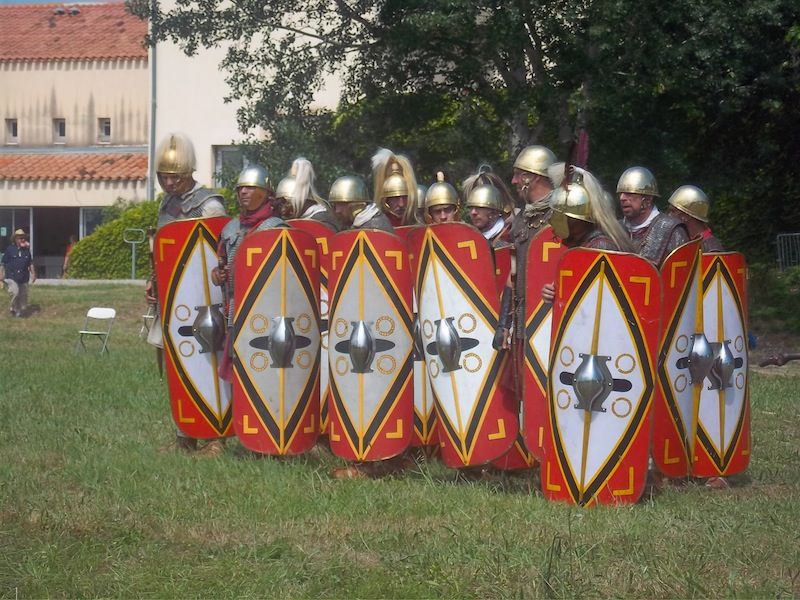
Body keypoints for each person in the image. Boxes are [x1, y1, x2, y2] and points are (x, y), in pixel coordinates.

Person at [146, 132, 227, 455]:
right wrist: (153, 279)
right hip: (176, 302)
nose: (168, 182)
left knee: (207, 364)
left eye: (174, 177)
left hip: (206, 303)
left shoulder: (209, 205)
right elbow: (163, 252)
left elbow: (218, 254)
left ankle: (214, 436)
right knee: (177, 364)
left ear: (188, 173)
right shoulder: (168, 204)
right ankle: (185, 433)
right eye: (163, 177)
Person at [212, 164, 287, 379]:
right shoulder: (230, 229)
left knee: (264, 370)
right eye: (240, 188)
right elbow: (221, 262)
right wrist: (217, 275)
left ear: (266, 193)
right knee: (238, 369)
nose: (243, 192)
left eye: (250, 187)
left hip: (268, 312)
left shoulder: (276, 230)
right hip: (235, 309)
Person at [542, 166, 634, 302]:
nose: (555, 220)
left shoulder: (600, 247)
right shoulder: (583, 244)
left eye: (561, 215)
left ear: (577, 219)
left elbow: (601, 301)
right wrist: (553, 292)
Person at [617, 166, 688, 268]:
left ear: (648, 199)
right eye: (620, 193)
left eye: (629, 193)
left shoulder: (672, 231)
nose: (622, 198)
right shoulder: (615, 229)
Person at [275, 157, 341, 231]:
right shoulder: (286, 221)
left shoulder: (323, 220)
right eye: (281, 203)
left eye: (286, 202)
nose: (283, 209)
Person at [667, 185, 724, 252]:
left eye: (673, 211)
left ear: (687, 216)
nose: (669, 215)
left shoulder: (711, 248)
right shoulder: (685, 240)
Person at [371, 148, 419, 228]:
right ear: (385, 199)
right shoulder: (374, 227)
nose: (401, 204)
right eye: (395, 198)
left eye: (404, 197)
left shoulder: (419, 227)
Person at [329, 175, 394, 233]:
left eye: (342, 204)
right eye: (335, 204)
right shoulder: (353, 226)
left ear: (357, 205)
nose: (337, 210)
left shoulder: (376, 227)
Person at [2, 229, 36, 318]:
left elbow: (30, 263)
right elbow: (3, 262)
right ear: (16, 239)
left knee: (23, 297)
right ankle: (13, 308)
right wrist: (1, 274)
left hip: (23, 277)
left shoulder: (26, 251)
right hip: (11, 276)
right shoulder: (10, 249)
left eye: (23, 238)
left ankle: (18, 311)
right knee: (15, 292)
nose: (22, 240)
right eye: (20, 238)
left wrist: (34, 274)